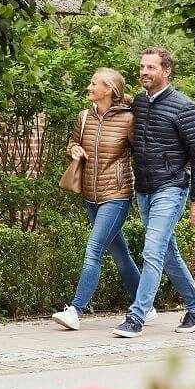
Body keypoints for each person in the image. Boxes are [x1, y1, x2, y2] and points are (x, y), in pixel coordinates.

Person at [117, 47, 195, 337]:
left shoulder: (184, 107)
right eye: (142, 67)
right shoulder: (140, 104)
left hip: (171, 187)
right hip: (144, 189)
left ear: (166, 71)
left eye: (151, 68)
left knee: (152, 251)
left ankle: (136, 317)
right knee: (168, 253)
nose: (144, 72)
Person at [51, 69, 139, 331]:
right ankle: (145, 303)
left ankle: (75, 310)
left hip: (117, 195)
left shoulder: (128, 120)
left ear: (109, 89)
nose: (88, 87)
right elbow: (73, 144)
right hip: (90, 194)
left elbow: (143, 152)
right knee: (120, 254)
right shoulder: (84, 117)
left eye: (93, 83)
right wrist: (73, 149)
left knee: (94, 250)